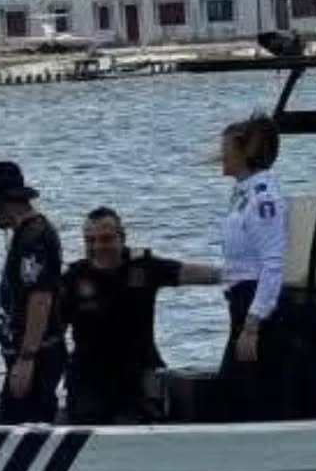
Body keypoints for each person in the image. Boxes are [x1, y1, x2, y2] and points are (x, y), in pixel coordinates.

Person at [60, 207, 221, 424]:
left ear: (122, 238)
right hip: (90, 377)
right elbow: (53, 330)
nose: (98, 246)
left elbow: (190, 273)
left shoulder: (143, 267)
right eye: (90, 240)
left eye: (106, 239)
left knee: (143, 422)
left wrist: (242, 275)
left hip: (139, 372)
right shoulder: (74, 278)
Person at [0, 160, 65, 424]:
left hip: (37, 354)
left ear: (4, 202)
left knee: (24, 423)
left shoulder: (35, 237)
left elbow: (40, 298)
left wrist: (27, 359)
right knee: (11, 414)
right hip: (23, 354)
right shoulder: (23, 234)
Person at [219, 113, 291, 418]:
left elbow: (272, 265)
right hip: (239, 299)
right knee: (236, 391)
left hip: (254, 306)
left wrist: (252, 326)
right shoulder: (243, 194)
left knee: (246, 393)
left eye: (226, 149)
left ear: (242, 153)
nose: (220, 155)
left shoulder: (263, 201)